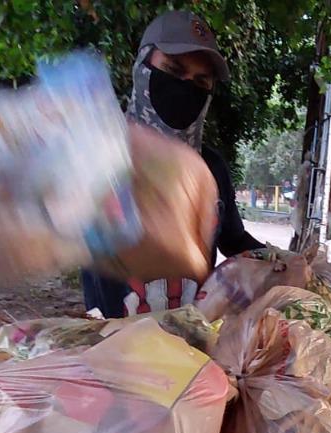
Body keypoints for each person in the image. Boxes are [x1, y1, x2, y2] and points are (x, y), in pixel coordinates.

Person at [81, 10, 263, 317]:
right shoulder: (99, 155)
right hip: (109, 347)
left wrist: (282, 262)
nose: (185, 88)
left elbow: (233, 240)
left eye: (200, 81)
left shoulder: (212, 169)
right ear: (142, 67)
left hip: (188, 347)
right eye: (174, 71)